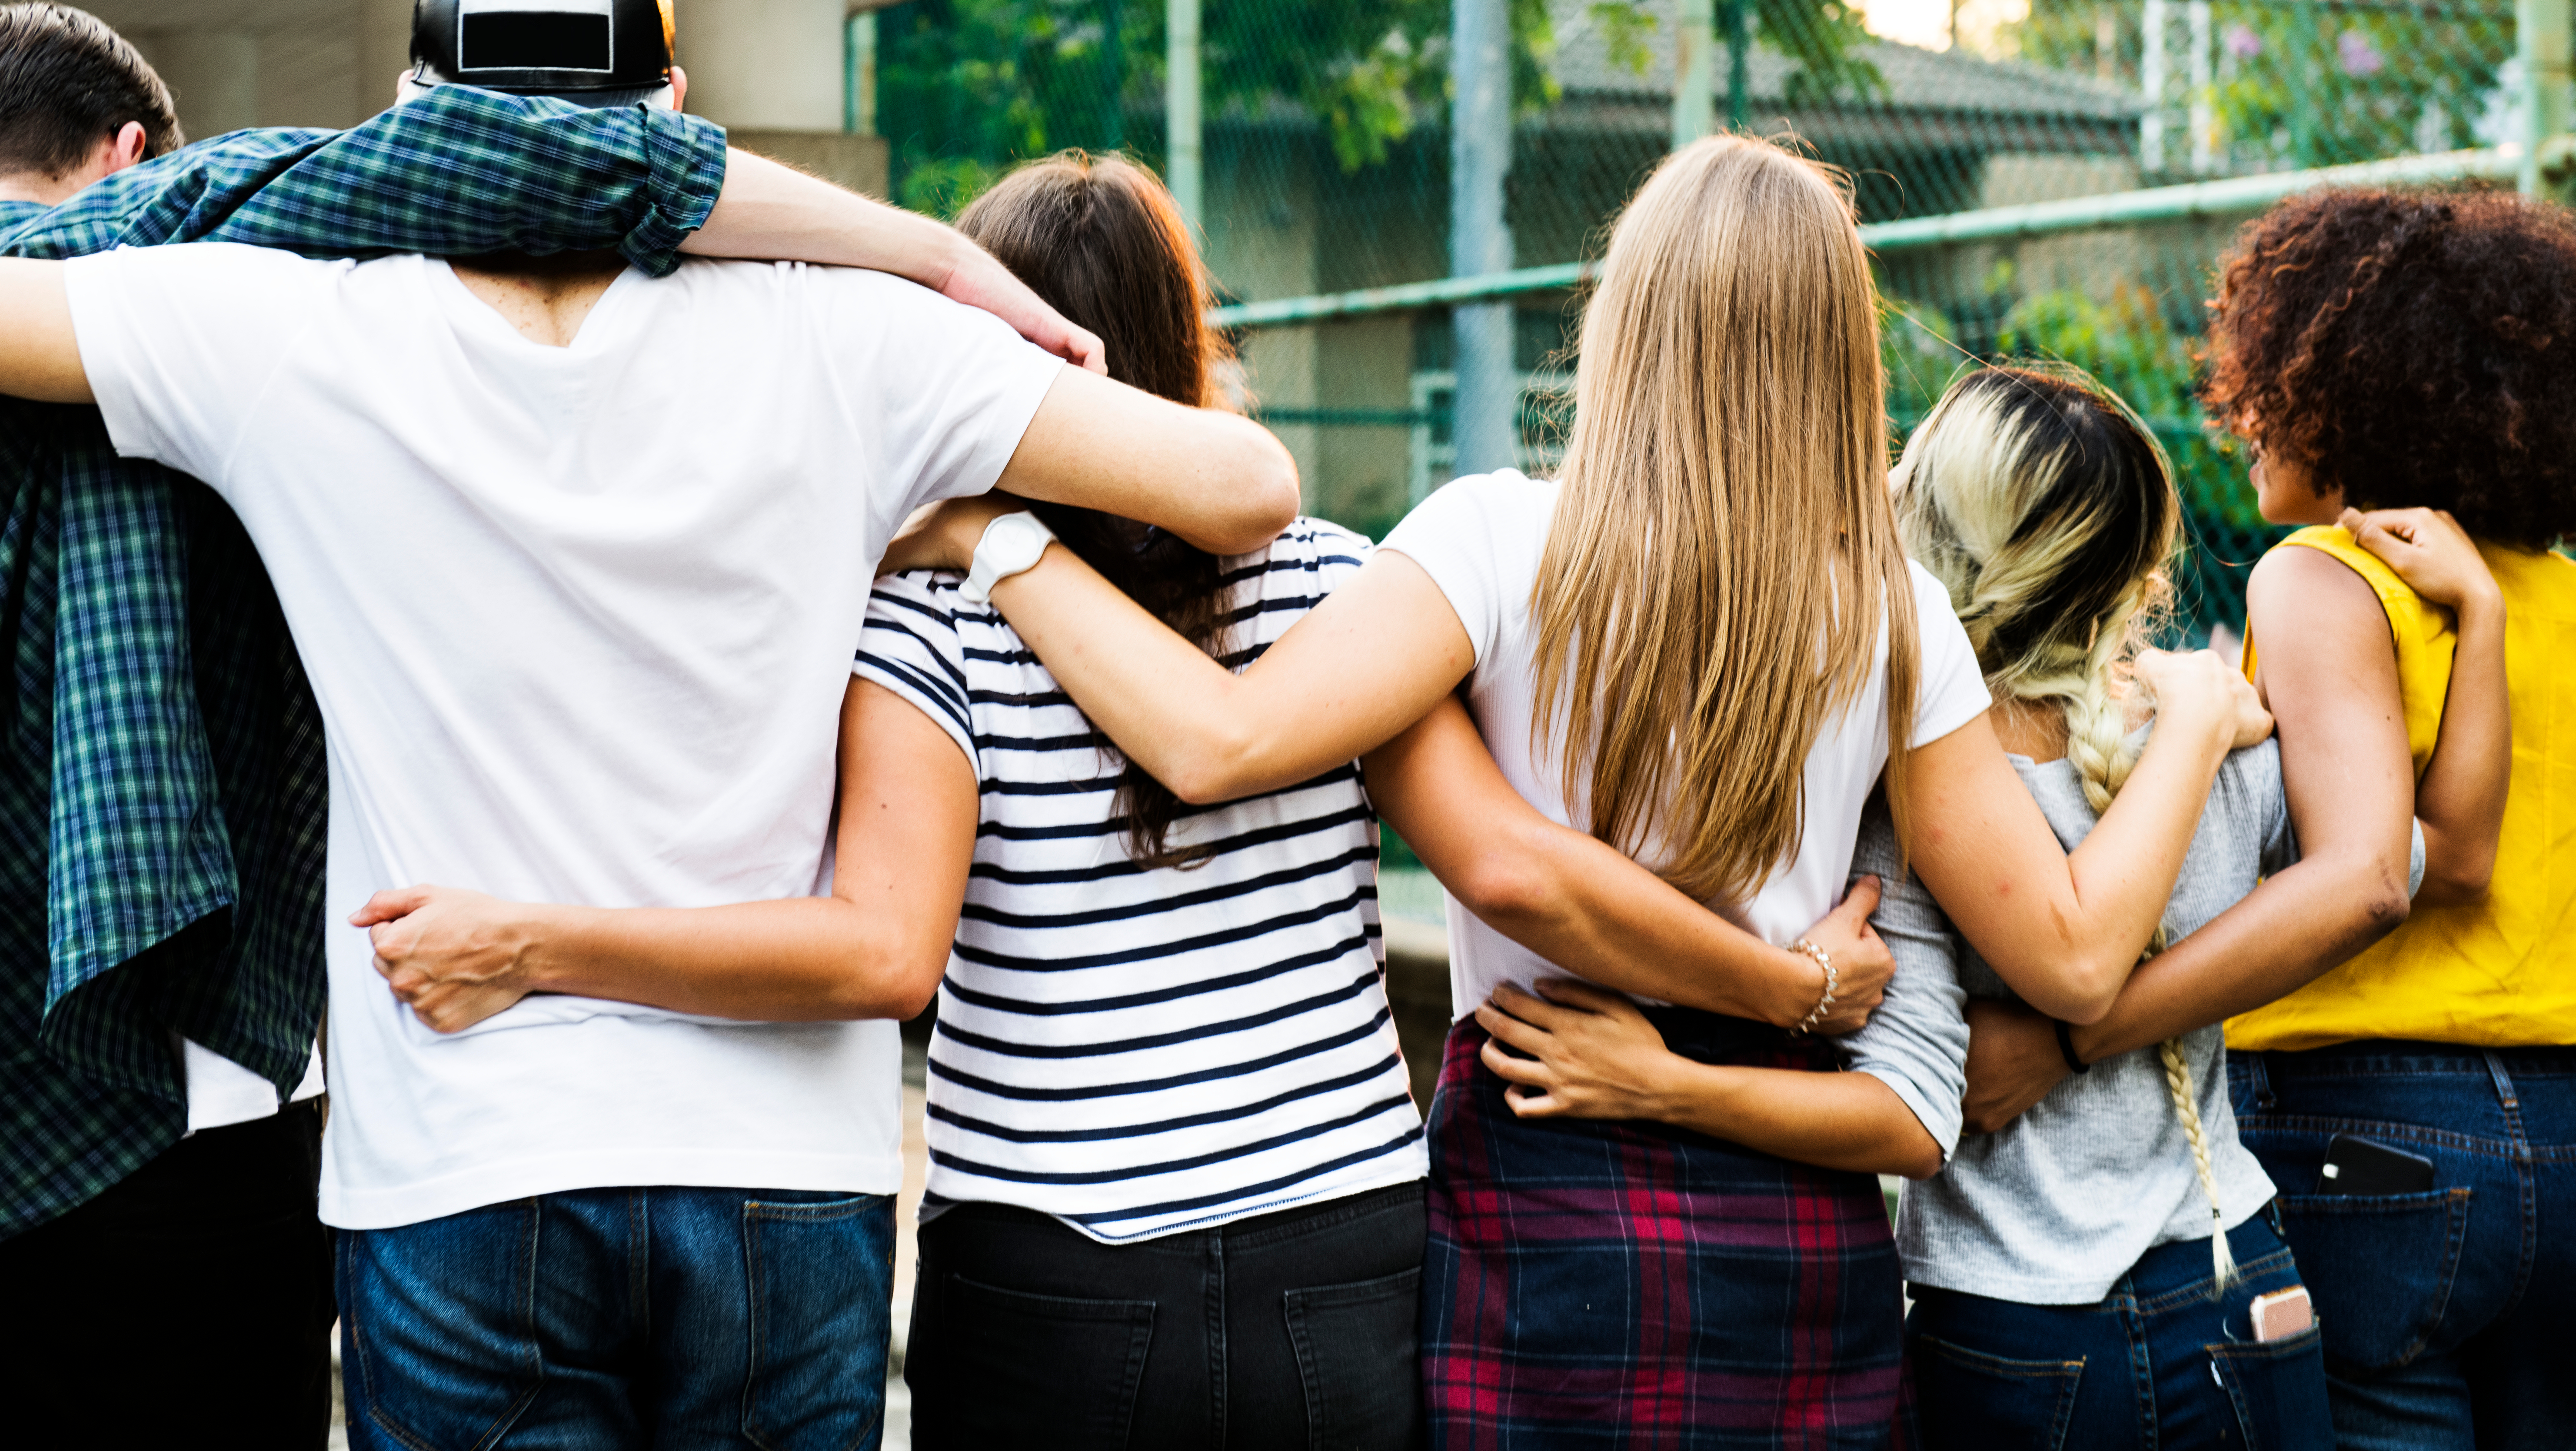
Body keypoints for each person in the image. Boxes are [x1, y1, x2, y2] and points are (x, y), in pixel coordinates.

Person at [0, 0, 1298, 1451]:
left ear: (419, 121)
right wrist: (962, 496)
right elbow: (1243, 489)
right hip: (785, 1171)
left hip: (460, 1162)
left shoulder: (277, 327)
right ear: (676, 120)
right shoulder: (867, 342)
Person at [875, 134, 2265, 1446]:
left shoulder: (1484, 545)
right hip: (1794, 1230)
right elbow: (2071, 956)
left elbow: (1245, 751)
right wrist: (2196, 724)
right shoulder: (1896, 617)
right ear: (1840, 351)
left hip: (1544, 1165)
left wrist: (998, 538)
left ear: (1623, 314)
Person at [1861, 363, 2469, 1449]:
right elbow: (2410, 858)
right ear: (2135, 572)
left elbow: (1908, 1071)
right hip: (2238, 1275)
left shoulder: (1912, 785)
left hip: (2012, 1315)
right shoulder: (2216, 736)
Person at [2189, 186, 2576, 1449]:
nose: (2241, 413)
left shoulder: (2318, 579)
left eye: (2263, 385)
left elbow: (2424, 863)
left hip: (2365, 1130)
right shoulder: (2560, 596)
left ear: (2341, 391)